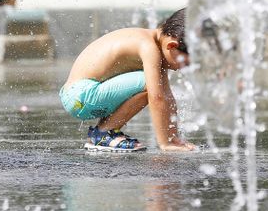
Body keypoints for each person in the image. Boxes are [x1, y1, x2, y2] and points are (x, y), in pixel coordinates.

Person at [59, 8, 197, 152]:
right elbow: (157, 97)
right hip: (81, 96)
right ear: (172, 46)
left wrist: (174, 138)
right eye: (185, 62)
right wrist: (166, 144)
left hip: (80, 95)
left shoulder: (154, 43)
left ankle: (105, 131)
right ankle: (103, 134)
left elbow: (167, 97)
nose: (184, 68)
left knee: (157, 86)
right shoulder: (148, 47)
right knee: (152, 86)